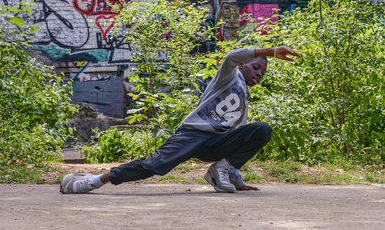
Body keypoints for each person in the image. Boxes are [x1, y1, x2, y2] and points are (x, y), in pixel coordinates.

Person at [60, 46, 301, 194]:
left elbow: (238, 140)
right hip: (194, 134)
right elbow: (231, 56)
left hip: (215, 144)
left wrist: (236, 180)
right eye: (256, 67)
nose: (259, 73)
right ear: (243, 65)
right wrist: (270, 52)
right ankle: (93, 181)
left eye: (263, 72)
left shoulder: (243, 101)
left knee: (261, 130)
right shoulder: (228, 78)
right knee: (153, 165)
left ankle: (219, 173)